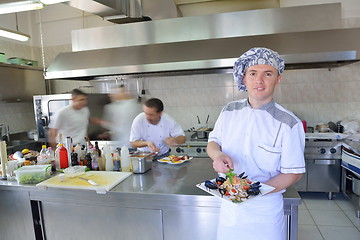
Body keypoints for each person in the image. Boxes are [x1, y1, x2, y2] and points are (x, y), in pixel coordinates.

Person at [207, 47, 305, 240]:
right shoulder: (229, 111)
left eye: (267, 74)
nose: (259, 80)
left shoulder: (289, 123)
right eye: (253, 73)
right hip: (229, 207)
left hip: (264, 212)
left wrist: (254, 192)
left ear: (278, 79)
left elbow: (294, 173)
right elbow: (214, 141)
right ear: (244, 79)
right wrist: (217, 155)